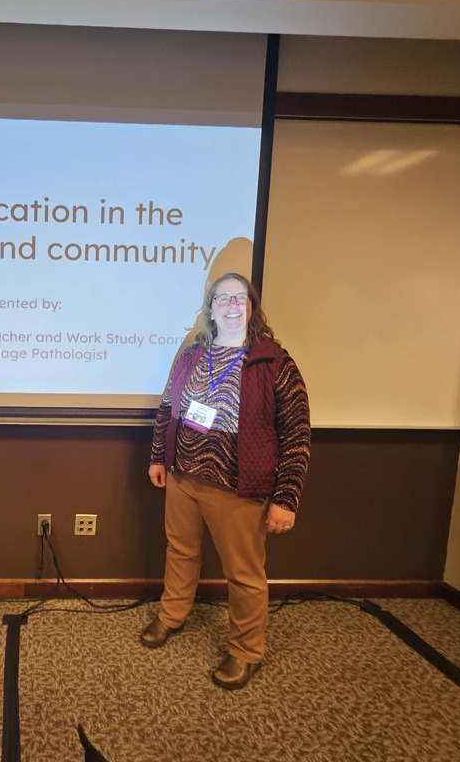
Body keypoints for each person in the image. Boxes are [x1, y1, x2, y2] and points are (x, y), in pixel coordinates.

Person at [142, 272, 310, 690]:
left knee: (244, 572)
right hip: (183, 476)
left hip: (238, 488)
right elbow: (167, 408)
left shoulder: (274, 363)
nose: (232, 306)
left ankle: (246, 651)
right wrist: (159, 457)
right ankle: (172, 614)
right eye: (223, 299)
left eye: (241, 299)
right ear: (210, 309)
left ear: (251, 308)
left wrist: (285, 497)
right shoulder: (192, 356)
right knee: (180, 551)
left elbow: (297, 433)